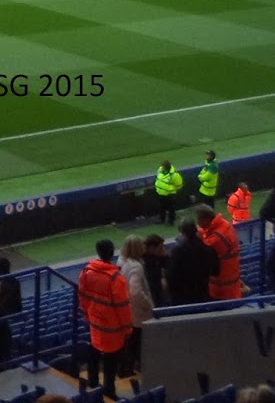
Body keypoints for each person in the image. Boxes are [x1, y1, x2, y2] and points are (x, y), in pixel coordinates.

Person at [76, 238, 131, 398]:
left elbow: (82, 298)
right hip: (112, 329)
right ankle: (109, 390)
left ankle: (93, 383)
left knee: (94, 352)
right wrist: (127, 328)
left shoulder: (86, 272)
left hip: (94, 322)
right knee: (110, 361)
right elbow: (123, 307)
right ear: (112, 253)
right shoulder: (115, 278)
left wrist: (88, 315)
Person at [117, 235, 154, 377]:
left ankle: (126, 370)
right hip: (137, 312)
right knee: (135, 343)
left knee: (129, 343)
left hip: (127, 309)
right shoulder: (136, 267)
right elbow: (135, 291)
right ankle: (128, 371)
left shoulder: (122, 261)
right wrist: (148, 304)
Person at [166, 218, 218, 306]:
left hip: (184, 299)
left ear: (182, 232)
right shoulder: (208, 249)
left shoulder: (177, 251)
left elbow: (171, 277)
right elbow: (216, 271)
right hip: (203, 295)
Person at [195, 204, 242, 300]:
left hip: (222, 290)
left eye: (199, 219)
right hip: (230, 283)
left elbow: (201, 250)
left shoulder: (215, 239)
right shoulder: (223, 224)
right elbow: (207, 233)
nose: (197, 222)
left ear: (206, 219)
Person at [153, 159, 182, 225]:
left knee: (171, 209)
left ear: (167, 167)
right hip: (160, 193)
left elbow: (179, 184)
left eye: (163, 166)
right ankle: (161, 219)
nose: (162, 167)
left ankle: (171, 221)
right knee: (161, 208)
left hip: (169, 195)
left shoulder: (174, 175)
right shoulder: (160, 170)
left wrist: (172, 190)